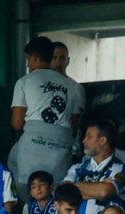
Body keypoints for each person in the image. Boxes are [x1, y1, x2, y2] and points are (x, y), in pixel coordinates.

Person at [9, 37, 84, 189]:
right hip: (62, 144)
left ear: (34, 57)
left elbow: (17, 124)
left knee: (15, 164)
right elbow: (74, 124)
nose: (28, 64)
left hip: (33, 143)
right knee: (58, 187)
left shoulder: (24, 81)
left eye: (28, 59)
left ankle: (29, 208)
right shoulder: (73, 86)